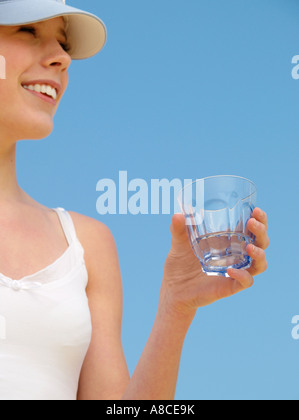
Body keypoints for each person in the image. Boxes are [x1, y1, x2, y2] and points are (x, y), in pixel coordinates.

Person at [0, 0, 270, 401]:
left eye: (63, 43)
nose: (61, 58)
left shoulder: (86, 244)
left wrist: (175, 308)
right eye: (28, 31)